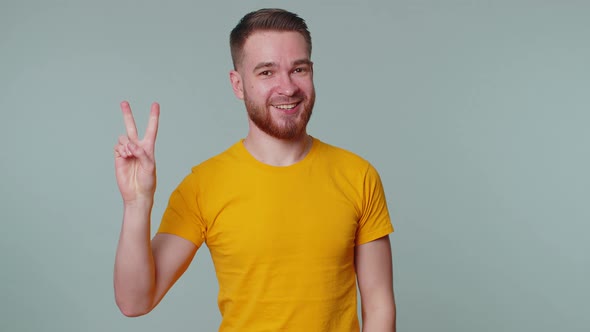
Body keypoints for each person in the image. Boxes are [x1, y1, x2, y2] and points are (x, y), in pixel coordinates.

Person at [113, 8, 396, 331]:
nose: (287, 87)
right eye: (266, 72)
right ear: (238, 84)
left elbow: (378, 304)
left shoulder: (359, 175)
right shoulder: (203, 185)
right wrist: (136, 204)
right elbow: (135, 301)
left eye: (298, 69)